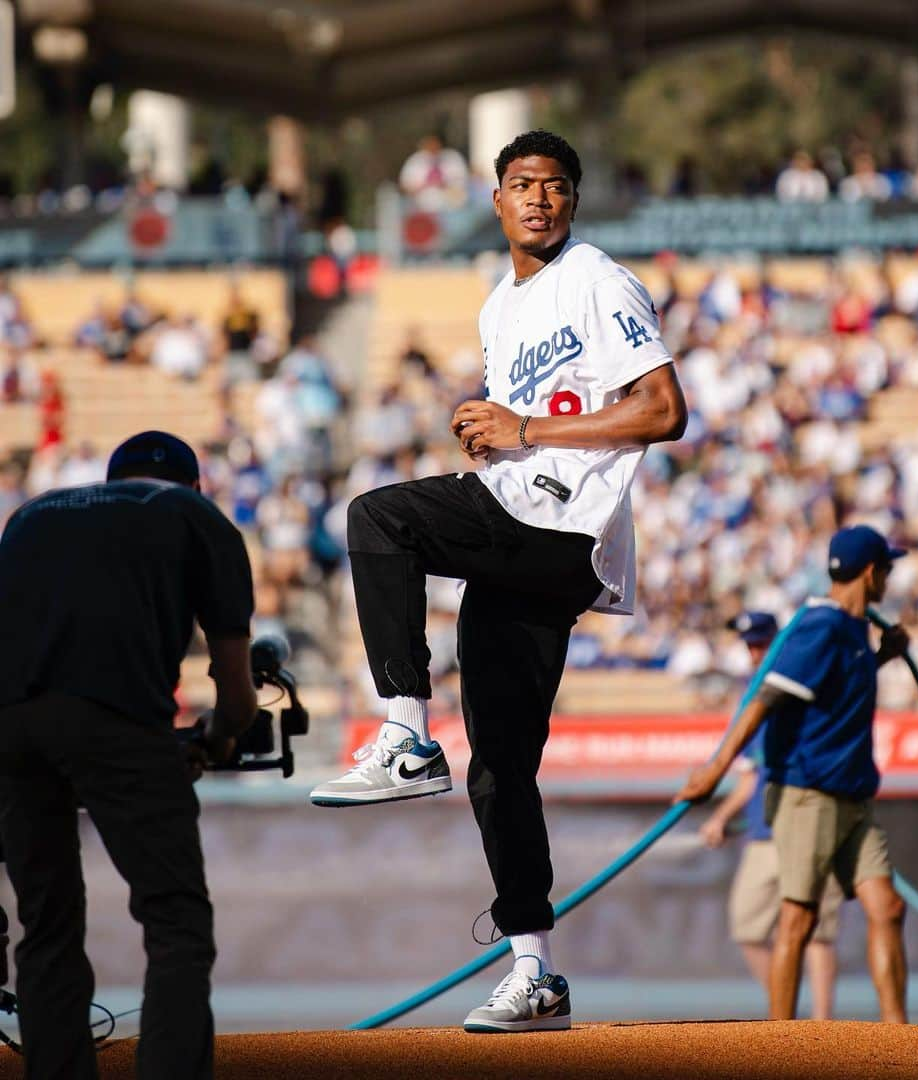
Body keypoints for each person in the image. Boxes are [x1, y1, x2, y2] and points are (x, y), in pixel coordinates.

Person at [310, 129, 687, 1032]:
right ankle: (537, 972)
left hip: (559, 522)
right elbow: (529, 419)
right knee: (501, 770)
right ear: (497, 201)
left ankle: (405, 733)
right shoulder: (496, 309)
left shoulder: (594, 275)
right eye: (523, 184)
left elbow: (665, 410)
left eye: (556, 185)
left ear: (574, 200)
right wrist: (494, 432)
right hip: (526, 521)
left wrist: (524, 434)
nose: (540, 199)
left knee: (378, 518)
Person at [0, 430, 258, 1079]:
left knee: (46, 924)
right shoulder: (197, 516)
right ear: (194, 484)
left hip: (7, 726)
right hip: (116, 715)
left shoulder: (34, 512)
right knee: (176, 922)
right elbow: (236, 694)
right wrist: (215, 740)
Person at [677, 525, 911, 1024]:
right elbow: (763, 699)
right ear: (870, 573)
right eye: (886, 570)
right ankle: (783, 1046)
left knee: (888, 908)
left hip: (852, 797)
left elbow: (836, 690)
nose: (889, 581)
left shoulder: (851, 631)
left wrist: (882, 657)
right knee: (798, 919)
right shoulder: (819, 627)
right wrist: (715, 770)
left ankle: (899, 1039)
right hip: (808, 793)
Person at [699, 612, 842, 1020]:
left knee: (817, 929)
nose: (755, 653)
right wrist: (721, 818)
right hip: (764, 832)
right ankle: (787, 1014)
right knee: (748, 926)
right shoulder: (753, 696)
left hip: (810, 822)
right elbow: (751, 775)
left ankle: (825, 1023)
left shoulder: (806, 684)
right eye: (749, 645)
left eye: (761, 643)